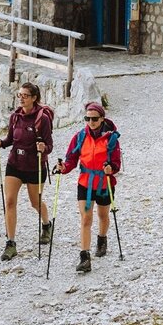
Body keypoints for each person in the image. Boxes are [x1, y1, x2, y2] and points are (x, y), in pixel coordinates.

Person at [54, 101, 121, 273]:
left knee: (103, 215)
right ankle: (85, 257)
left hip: (105, 184)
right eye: (87, 118)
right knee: (86, 218)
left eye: (94, 119)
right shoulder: (80, 136)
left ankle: (102, 238)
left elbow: (116, 163)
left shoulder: (112, 138)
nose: (91, 122)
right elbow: (71, 159)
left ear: (102, 118)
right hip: (85, 183)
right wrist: (64, 168)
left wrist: (110, 169)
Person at [0, 82, 53, 261]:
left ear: (34, 98)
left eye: (25, 95)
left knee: (35, 202)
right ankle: (10, 243)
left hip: (35, 165)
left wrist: (44, 148)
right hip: (15, 164)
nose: (21, 98)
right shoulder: (15, 117)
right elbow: (11, 139)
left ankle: (46, 225)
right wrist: (1, 143)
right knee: (10, 202)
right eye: (20, 95)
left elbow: (49, 145)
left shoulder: (43, 119)